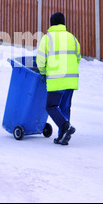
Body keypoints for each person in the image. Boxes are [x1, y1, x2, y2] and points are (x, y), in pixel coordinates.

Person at [37, 12, 81, 145]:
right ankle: (63, 136)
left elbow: (40, 60)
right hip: (71, 79)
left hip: (56, 79)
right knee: (65, 108)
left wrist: (43, 72)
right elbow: (78, 57)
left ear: (51, 23)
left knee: (51, 106)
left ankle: (65, 126)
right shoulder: (72, 37)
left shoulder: (47, 38)